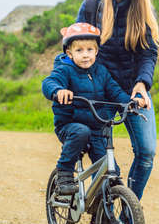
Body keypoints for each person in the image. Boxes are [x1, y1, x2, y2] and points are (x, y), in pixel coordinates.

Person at [76, 0, 159, 202]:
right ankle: (103, 219)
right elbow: (76, 47)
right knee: (104, 161)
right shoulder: (92, 6)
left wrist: (142, 83)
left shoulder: (142, 9)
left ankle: (128, 213)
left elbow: (148, 52)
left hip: (132, 90)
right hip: (98, 93)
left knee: (146, 152)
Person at [42, 22, 145, 195]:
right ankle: (64, 173)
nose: (85, 55)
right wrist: (58, 91)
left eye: (90, 50)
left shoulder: (101, 72)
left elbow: (115, 91)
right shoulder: (65, 70)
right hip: (70, 126)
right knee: (81, 132)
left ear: (96, 51)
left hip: (97, 128)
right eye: (79, 50)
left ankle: (104, 205)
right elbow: (49, 82)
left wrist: (130, 102)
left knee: (111, 172)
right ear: (69, 53)